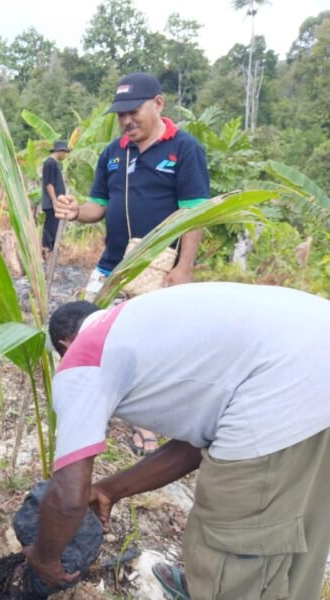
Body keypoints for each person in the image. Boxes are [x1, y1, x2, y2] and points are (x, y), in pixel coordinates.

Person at [23, 282, 330, 600]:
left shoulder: (84, 355)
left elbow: (69, 495)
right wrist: (108, 490)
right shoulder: (142, 325)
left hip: (284, 379)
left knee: (236, 535)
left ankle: (223, 588)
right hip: (314, 353)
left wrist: (44, 558)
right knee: (299, 520)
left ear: (65, 342)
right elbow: (197, 444)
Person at [54, 72, 211, 455]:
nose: (126, 120)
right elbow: (98, 207)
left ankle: (147, 423)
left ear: (158, 104)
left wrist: (184, 269)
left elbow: (195, 214)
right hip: (111, 265)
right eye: (121, 113)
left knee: (150, 347)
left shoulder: (184, 149)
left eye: (133, 111)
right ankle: (93, 405)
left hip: (157, 268)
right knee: (87, 332)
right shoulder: (112, 153)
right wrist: (75, 211)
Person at [40, 140, 69, 254]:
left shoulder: (53, 163)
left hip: (55, 202)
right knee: (50, 227)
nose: (65, 155)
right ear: (60, 151)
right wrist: (54, 200)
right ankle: (47, 249)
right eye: (65, 152)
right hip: (52, 203)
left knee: (54, 227)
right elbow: (49, 183)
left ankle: (50, 250)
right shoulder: (50, 163)